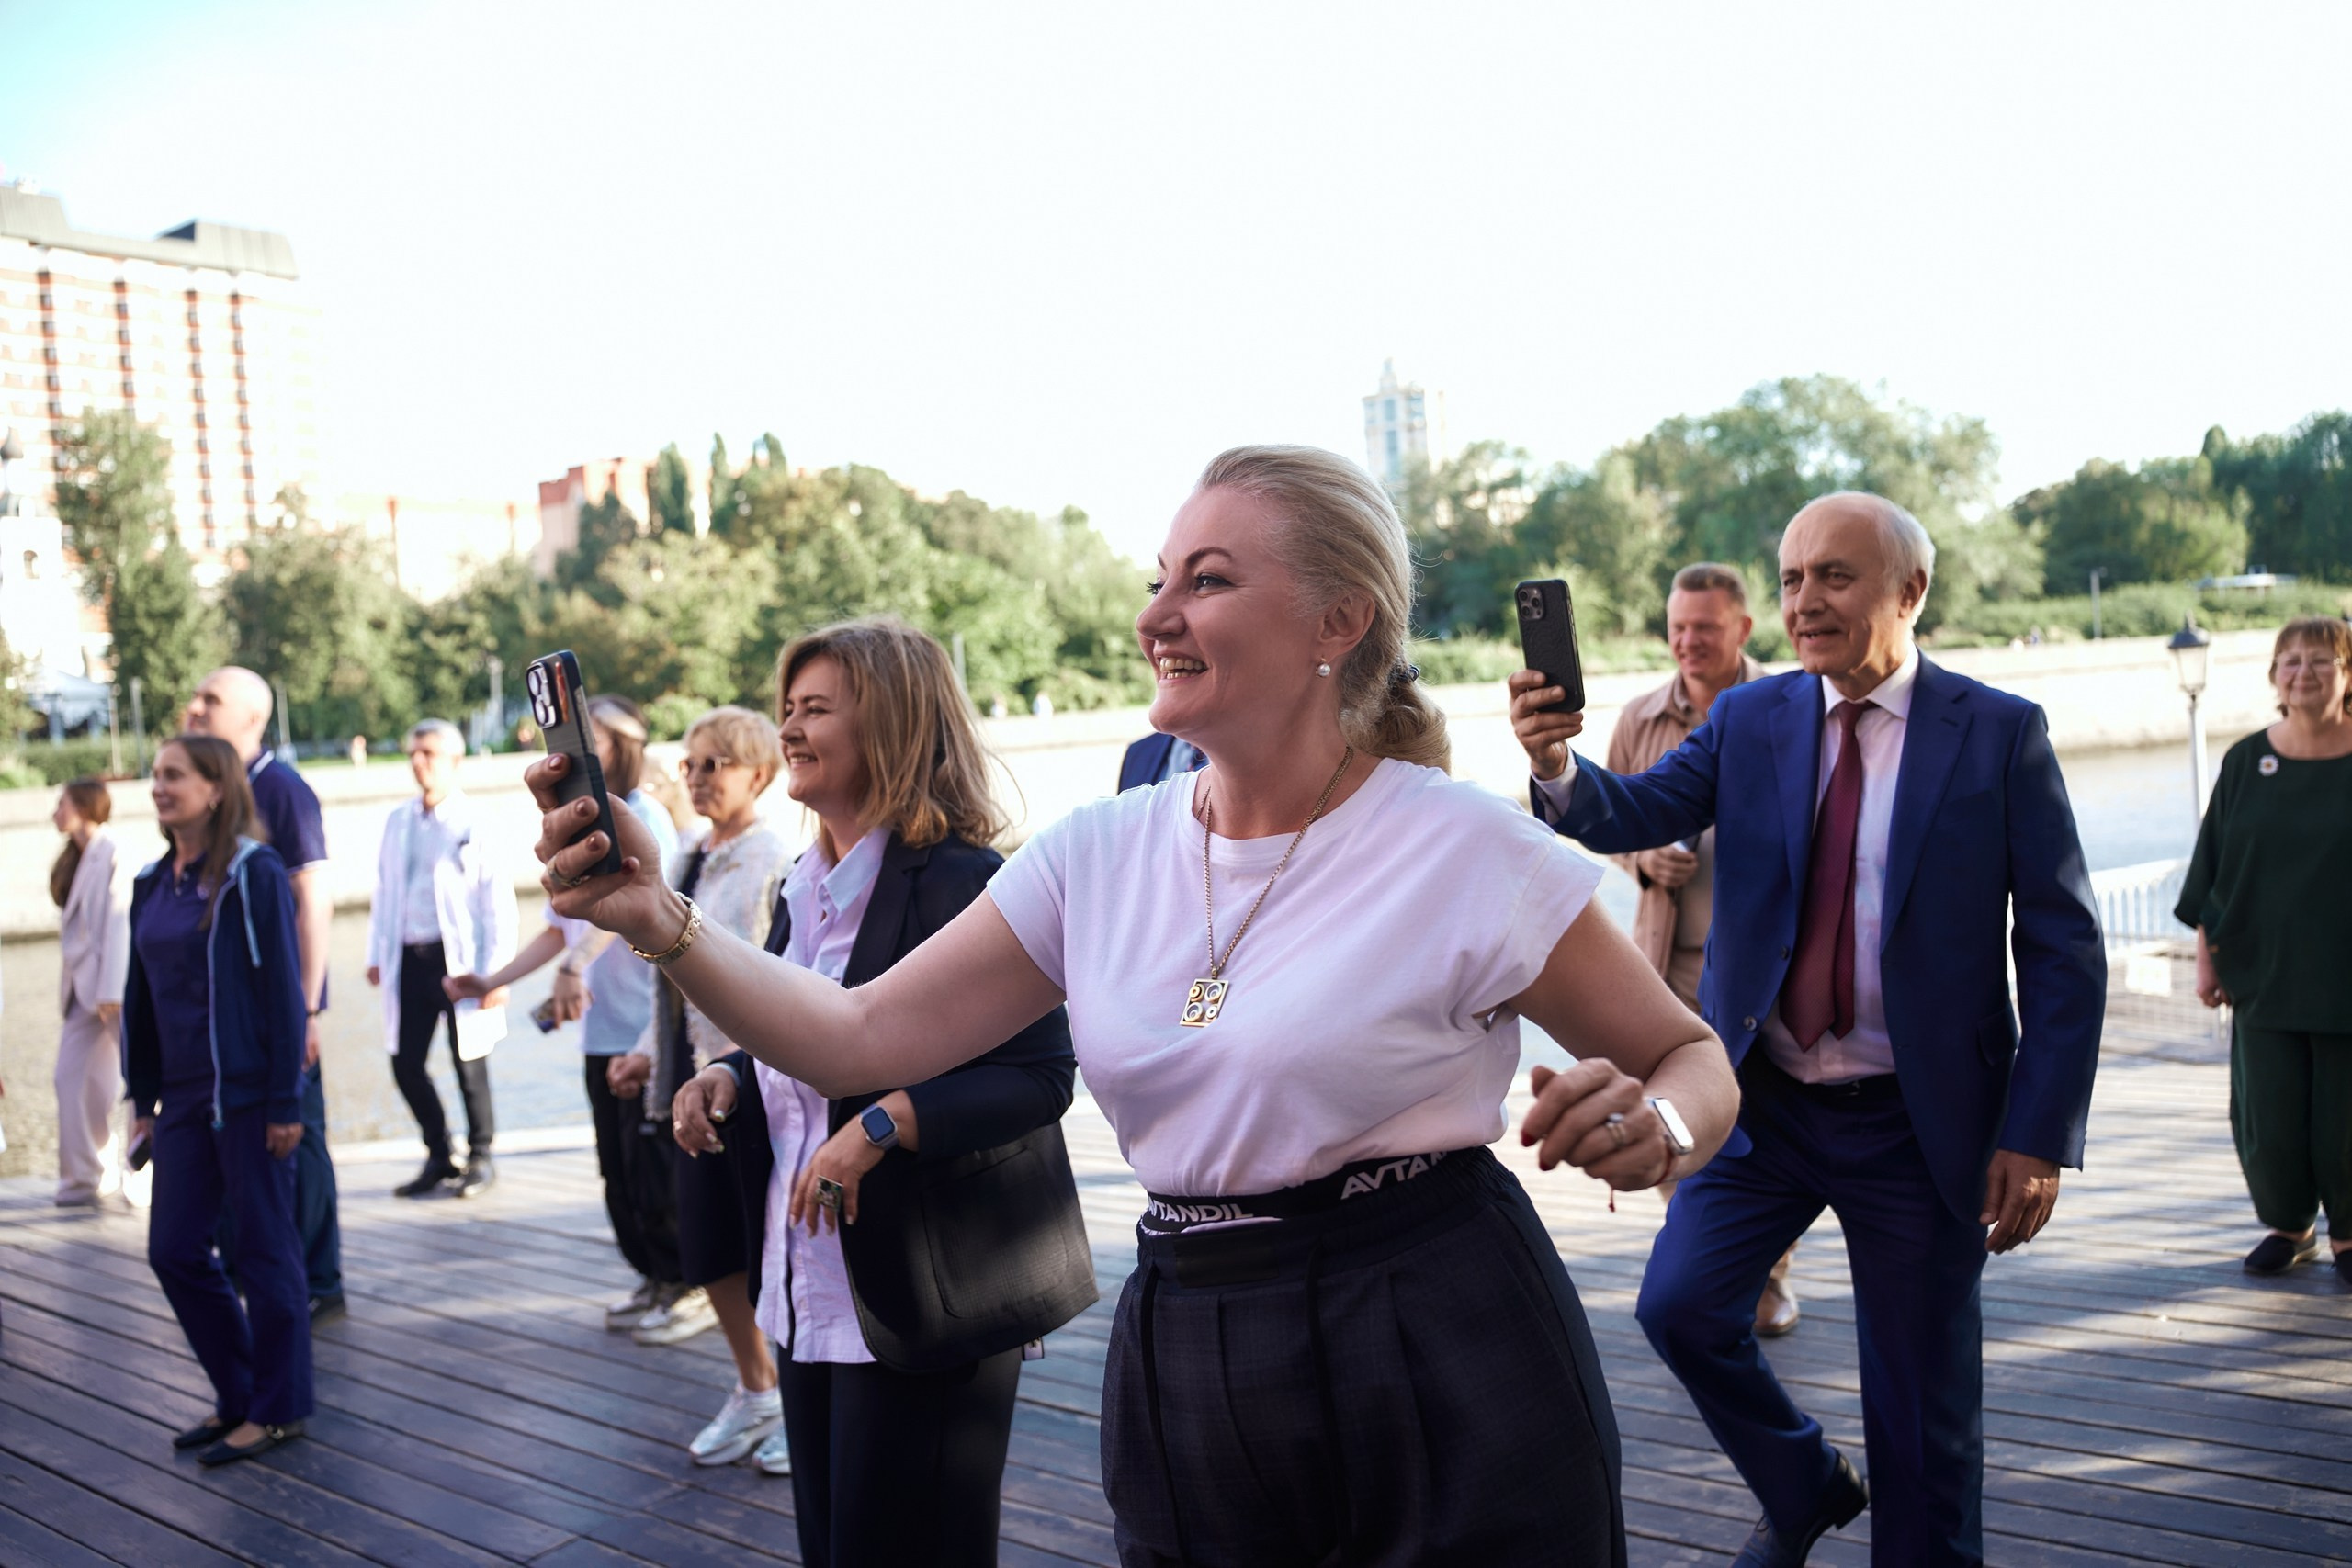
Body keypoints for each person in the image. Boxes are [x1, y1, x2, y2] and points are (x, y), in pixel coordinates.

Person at [537, 445, 1740, 1568]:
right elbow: (853, 1037)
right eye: (1158, 580)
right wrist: (657, 916)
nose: (1154, 615)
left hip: (1434, 1322)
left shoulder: (1461, 844)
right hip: (1187, 1333)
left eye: (1206, 581)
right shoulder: (1096, 853)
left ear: (1339, 621)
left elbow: (1690, 1057)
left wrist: (1661, 1127)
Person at [1510, 491, 2106, 1567]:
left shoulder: (1998, 732)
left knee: (1921, 1418)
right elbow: (1633, 812)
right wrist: (1556, 765)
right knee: (1680, 1309)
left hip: (1919, 1122)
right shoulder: (1752, 719)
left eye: (1833, 575)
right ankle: (1802, 1481)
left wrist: (2037, 1131)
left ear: (1908, 590)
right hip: (1763, 1104)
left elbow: (2062, 947)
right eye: (1791, 578)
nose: (1804, 600)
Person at [664, 617, 1093, 1560]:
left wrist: (885, 1126)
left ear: (891, 725)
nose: (789, 727)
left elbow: (1039, 1074)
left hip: (925, 1297)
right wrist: (727, 1076)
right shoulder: (799, 887)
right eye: (788, 707)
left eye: (816, 708)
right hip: (806, 1290)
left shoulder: (966, 881)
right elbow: (800, 1043)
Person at [449, 694, 684, 1326]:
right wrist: (491, 979)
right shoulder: (582, 830)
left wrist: (576, 966)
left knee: (652, 1167)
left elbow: (643, 905)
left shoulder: (644, 817)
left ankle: (681, 1284)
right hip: (600, 1032)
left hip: (644, 1028)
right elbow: (562, 928)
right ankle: (650, 1276)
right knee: (616, 1169)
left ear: (624, 748)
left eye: (592, 742)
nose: (572, 757)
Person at [1606, 565, 1797, 1339]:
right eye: (1677, 627)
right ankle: (1705, 1263)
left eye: (1705, 628)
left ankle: (1768, 1277)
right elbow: (1608, 817)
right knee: (1673, 1118)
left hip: (1766, 972)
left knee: (1763, 1128)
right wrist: (1644, 858)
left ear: (1743, 629)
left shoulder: (1792, 708)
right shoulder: (1639, 717)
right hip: (1668, 967)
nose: (1687, 641)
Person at [123, 735, 312, 1465]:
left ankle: (279, 1408)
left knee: (264, 1252)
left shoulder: (251, 871)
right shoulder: (151, 881)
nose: (159, 786)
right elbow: (140, 996)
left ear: (215, 787)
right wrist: (142, 1097)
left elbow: (283, 992)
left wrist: (285, 1100)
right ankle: (239, 1392)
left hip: (247, 1095)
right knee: (173, 1249)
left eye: (174, 775)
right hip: (178, 1097)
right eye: (156, 775)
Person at [610, 706, 791, 1428]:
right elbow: (678, 981)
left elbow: (778, 974)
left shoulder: (772, 860)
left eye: (716, 763)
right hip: (695, 1080)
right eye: (690, 763)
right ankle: (757, 1388)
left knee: (766, 1245)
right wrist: (649, 1052)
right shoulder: (687, 853)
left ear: (760, 774)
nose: (697, 777)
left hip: (756, 1076)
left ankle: (783, 1396)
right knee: (711, 1245)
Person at [2177, 616, 2352, 1289]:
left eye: (2322, 660)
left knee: (2345, 1119)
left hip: (2344, 977)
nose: (2305, 672)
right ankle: (2290, 1228)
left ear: (2347, 674)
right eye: (2291, 661)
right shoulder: (2246, 762)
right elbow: (2214, 871)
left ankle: (2349, 1231)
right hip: (2263, 973)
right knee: (2269, 1116)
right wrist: (2207, 960)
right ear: (2275, 676)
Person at [183, 667, 343, 1322]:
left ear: (251, 717)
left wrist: (305, 1008)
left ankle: (320, 1280)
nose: (194, 707)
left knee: (299, 1135)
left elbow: (314, 897)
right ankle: (257, 1271)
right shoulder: (215, 790)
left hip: (281, 1009)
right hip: (229, 1016)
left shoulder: (281, 788)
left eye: (211, 699)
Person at [365, 719, 517, 1199]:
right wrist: (376, 953)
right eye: (413, 753)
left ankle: (481, 1156)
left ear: (454, 761)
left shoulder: (475, 821)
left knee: (468, 1060)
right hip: (409, 957)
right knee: (405, 1062)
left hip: (459, 961)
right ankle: (439, 1152)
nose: (418, 762)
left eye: (428, 753)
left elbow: (497, 902)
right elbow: (384, 890)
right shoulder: (399, 821)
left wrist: (496, 973)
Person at [51, 777, 135, 1207]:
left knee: (138, 1076)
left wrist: (111, 991)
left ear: (83, 806)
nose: (55, 812)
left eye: (62, 803)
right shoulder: (76, 856)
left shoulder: (113, 850)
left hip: (112, 988)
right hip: (81, 991)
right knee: (70, 1076)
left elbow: (120, 922)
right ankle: (86, 1175)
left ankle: (143, 1174)